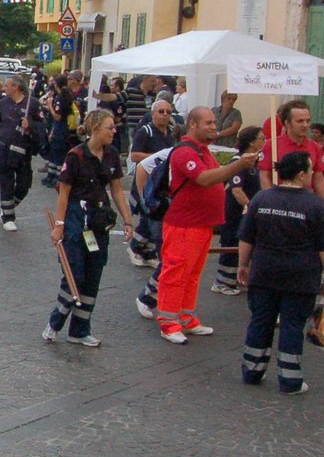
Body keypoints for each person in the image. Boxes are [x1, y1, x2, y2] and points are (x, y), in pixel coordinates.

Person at [152, 107, 259, 345]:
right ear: (192, 124)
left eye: (213, 123)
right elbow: (204, 178)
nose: (213, 126)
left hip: (201, 224)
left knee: (192, 274)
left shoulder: (203, 151)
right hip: (183, 224)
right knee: (176, 272)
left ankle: (186, 317)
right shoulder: (184, 152)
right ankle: (168, 322)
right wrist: (238, 165)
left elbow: (214, 177)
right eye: (208, 123)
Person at [237, 150, 324, 395]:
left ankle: (252, 371)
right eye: (311, 170)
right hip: (300, 278)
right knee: (293, 324)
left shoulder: (261, 198)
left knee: (260, 320)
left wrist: (243, 265)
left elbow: (246, 238)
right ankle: (290, 380)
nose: (312, 174)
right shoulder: (315, 205)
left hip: (264, 273)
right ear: (302, 174)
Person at [43, 109, 135, 346]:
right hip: (76, 217)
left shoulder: (112, 154)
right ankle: (55, 322)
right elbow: (63, 193)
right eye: (110, 127)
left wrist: (127, 220)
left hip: (98, 219)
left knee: (93, 273)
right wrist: (59, 226)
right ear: (95, 129)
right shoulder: (75, 156)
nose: (114, 131)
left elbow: (116, 190)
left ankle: (80, 330)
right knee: (75, 272)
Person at [257, 99, 324, 230]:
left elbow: (319, 181)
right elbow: (264, 176)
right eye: (300, 121)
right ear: (287, 123)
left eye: (307, 120)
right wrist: (271, 202)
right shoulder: (271, 145)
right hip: (280, 202)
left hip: (305, 203)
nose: (305, 125)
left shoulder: (315, 148)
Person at [0, 73, 46, 231]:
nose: (4, 88)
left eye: (7, 85)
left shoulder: (33, 104)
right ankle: (8, 217)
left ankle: (8, 205)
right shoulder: (2, 103)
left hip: (23, 151)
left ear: (16, 87)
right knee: (6, 183)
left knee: (24, 184)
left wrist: (30, 125)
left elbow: (42, 128)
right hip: (4, 149)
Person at [212, 125, 265, 296]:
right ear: (251, 141)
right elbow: (236, 189)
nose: (264, 141)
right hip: (235, 211)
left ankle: (236, 278)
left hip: (246, 212)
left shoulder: (255, 162)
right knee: (231, 243)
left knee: (244, 244)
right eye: (261, 138)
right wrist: (251, 207)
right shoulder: (239, 161)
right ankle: (222, 281)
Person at [127, 99, 177, 266]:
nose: (165, 115)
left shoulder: (171, 132)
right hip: (146, 181)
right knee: (149, 217)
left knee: (153, 217)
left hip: (162, 183)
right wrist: (157, 156)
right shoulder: (145, 131)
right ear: (153, 113)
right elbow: (134, 156)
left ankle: (147, 252)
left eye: (168, 112)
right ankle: (135, 247)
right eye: (161, 111)